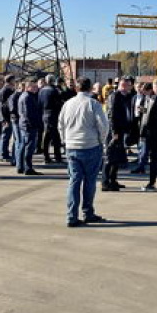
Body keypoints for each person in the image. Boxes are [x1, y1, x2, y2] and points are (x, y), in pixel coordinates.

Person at [58, 76, 109, 227]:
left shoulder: (67, 104)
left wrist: (65, 140)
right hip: (91, 145)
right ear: (90, 88)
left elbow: (60, 124)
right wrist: (101, 140)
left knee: (74, 181)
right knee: (90, 181)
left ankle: (71, 215)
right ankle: (88, 212)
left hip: (72, 146)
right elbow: (103, 125)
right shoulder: (93, 104)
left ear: (76, 88)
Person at [102, 78, 133, 191]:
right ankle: (105, 182)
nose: (126, 87)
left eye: (128, 85)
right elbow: (112, 115)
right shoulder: (115, 96)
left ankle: (113, 180)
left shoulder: (127, 97)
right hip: (113, 131)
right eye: (124, 85)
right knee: (110, 157)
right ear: (120, 85)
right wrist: (114, 132)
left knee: (116, 158)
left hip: (121, 130)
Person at [17, 79, 43, 175]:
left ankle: (20, 166)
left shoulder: (25, 96)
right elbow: (28, 113)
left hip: (24, 124)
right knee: (29, 147)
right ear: (28, 87)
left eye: (36, 86)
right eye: (33, 86)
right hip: (29, 125)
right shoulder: (27, 97)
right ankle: (28, 168)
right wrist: (34, 124)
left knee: (23, 145)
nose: (36, 88)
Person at [38, 74, 64, 164]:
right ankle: (57, 157)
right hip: (53, 114)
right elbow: (59, 103)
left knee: (47, 136)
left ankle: (46, 156)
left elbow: (39, 103)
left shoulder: (41, 90)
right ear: (53, 81)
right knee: (56, 137)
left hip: (44, 114)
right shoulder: (55, 90)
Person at [132, 83, 154, 173]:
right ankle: (141, 166)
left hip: (148, 127)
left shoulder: (152, 99)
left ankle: (142, 166)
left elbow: (150, 113)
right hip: (144, 125)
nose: (143, 93)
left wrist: (142, 110)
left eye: (145, 91)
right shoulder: (147, 98)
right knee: (143, 148)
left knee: (144, 148)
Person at [0, 74, 16, 164]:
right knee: (5, 136)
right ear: (11, 80)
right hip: (6, 117)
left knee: (6, 136)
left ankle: (4, 153)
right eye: (14, 80)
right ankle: (3, 154)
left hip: (6, 117)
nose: (15, 82)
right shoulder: (6, 90)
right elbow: (3, 106)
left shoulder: (5, 90)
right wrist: (5, 119)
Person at [8, 81, 25, 168]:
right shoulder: (15, 96)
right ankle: (18, 162)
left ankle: (15, 160)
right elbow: (12, 109)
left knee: (17, 141)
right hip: (16, 120)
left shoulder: (17, 96)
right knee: (19, 141)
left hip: (16, 120)